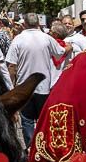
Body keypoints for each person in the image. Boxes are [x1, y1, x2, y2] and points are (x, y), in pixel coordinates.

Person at [6, 12, 67, 145]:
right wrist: (69, 47)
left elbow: (12, 65)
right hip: (43, 85)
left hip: (24, 87)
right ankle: (43, 145)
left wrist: (11, 85)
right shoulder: (47, 38)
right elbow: (60, 52)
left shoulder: (18, 39)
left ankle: (30, 146)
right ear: (38, 23)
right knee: (43, 119)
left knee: (27, 119)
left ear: (24, 24)